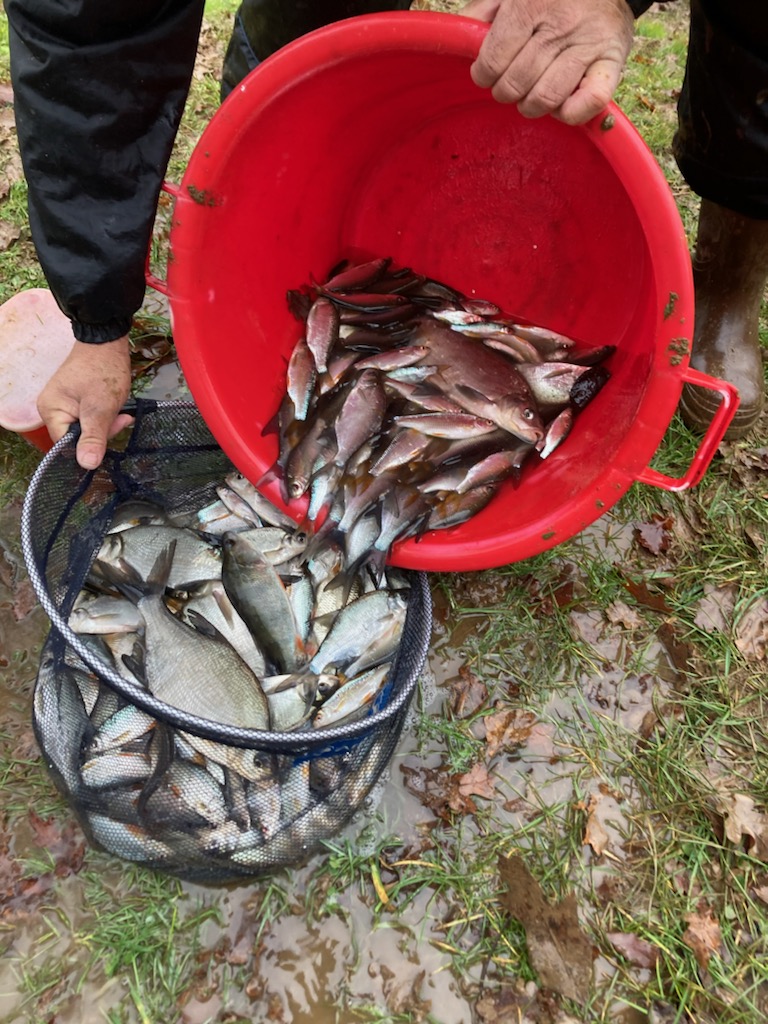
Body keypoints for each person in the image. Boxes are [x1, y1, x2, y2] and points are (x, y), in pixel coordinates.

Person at [3, 0, 765, 469]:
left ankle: (734, 273)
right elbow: (89, 41)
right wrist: (96, 319)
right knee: (309, 34)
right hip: (409, 340)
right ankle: (271, 196)